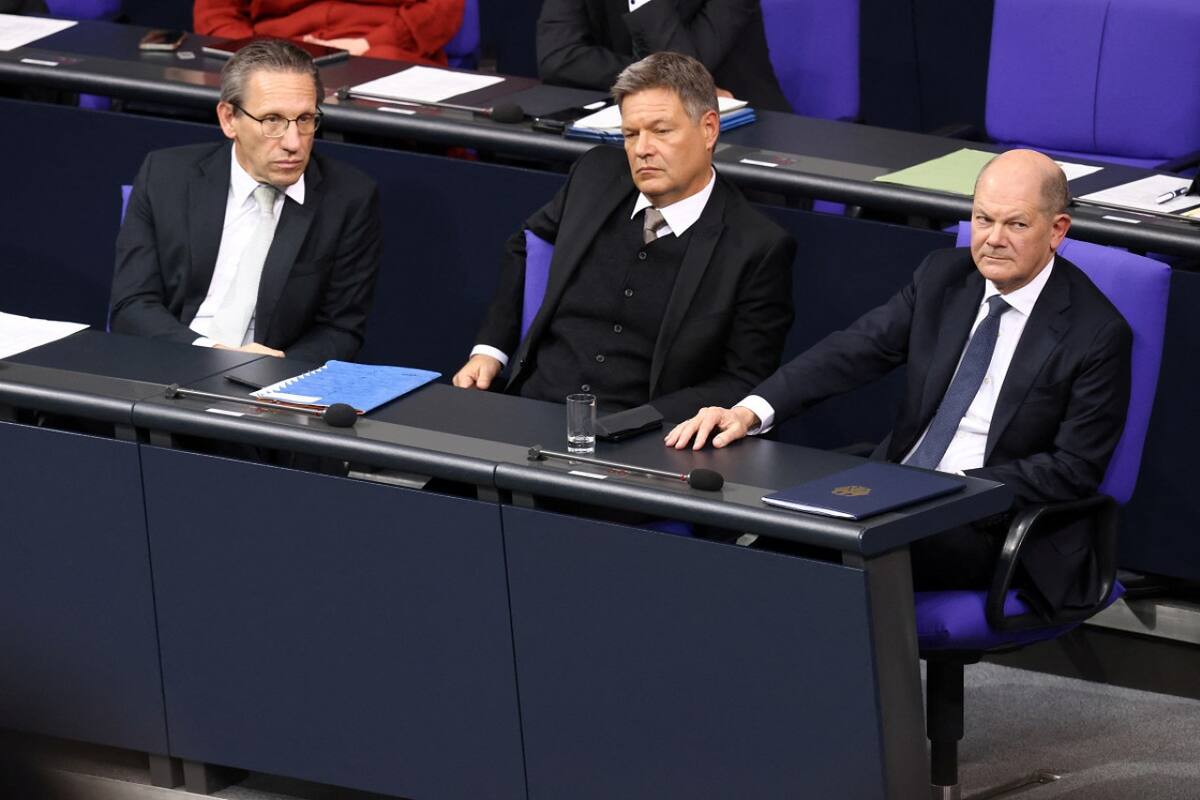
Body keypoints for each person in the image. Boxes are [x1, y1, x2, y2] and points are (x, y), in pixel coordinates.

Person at [666, 149, 1132, 610]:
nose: (992, 239)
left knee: (834, 564)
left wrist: (954, 489)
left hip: (992, 517)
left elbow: (1072, 469)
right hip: (896, 487)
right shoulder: (943, 277)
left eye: (1016, 224)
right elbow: (853, 350)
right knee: (776, 548)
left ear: (1057, 231)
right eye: (983, 219)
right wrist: (750, 410)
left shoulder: (1096, 332)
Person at [453, 51, 795, 424]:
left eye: (661, 131)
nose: (642, 149)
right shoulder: (595, 175)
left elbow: (744, 378)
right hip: (533, 408)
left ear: (709, 129)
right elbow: (529, 242)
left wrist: (641, 422)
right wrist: (490, 351)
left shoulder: (756, 246)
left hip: (649, 435)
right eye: (631, 134)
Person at [111, 39, 382, 364]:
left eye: (306, 119)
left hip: (274, 383)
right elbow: (132, 305)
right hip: (170, 362)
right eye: (272, 121)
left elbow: (341, 330)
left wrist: (274, 368)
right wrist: (209, 355)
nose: (293, 143)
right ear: (229, 119)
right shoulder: (166, 176)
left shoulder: (349, 198)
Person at [537, 0, 792, 113]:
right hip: (633, 122)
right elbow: (558, 58)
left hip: (739, 136)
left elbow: (686, 74)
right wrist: (645, 79)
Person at [194, 0, 465, 63]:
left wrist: (367, 44)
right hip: (274, 57)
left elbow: (443, 7)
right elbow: (217, 13)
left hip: (382, 53)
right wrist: (259, 56)